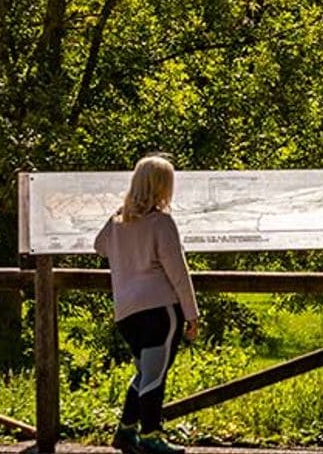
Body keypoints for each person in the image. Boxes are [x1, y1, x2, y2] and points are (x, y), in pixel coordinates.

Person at [94, 154, 199, 454]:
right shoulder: (162, 223)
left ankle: (126, 431)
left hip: (126, 313)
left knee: (144, 373)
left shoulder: (117, 220)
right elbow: (178, 273)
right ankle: (151, 435)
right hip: (160, 312)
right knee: (154, 375)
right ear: (163, 186)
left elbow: (99, 247)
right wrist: (192, 314)